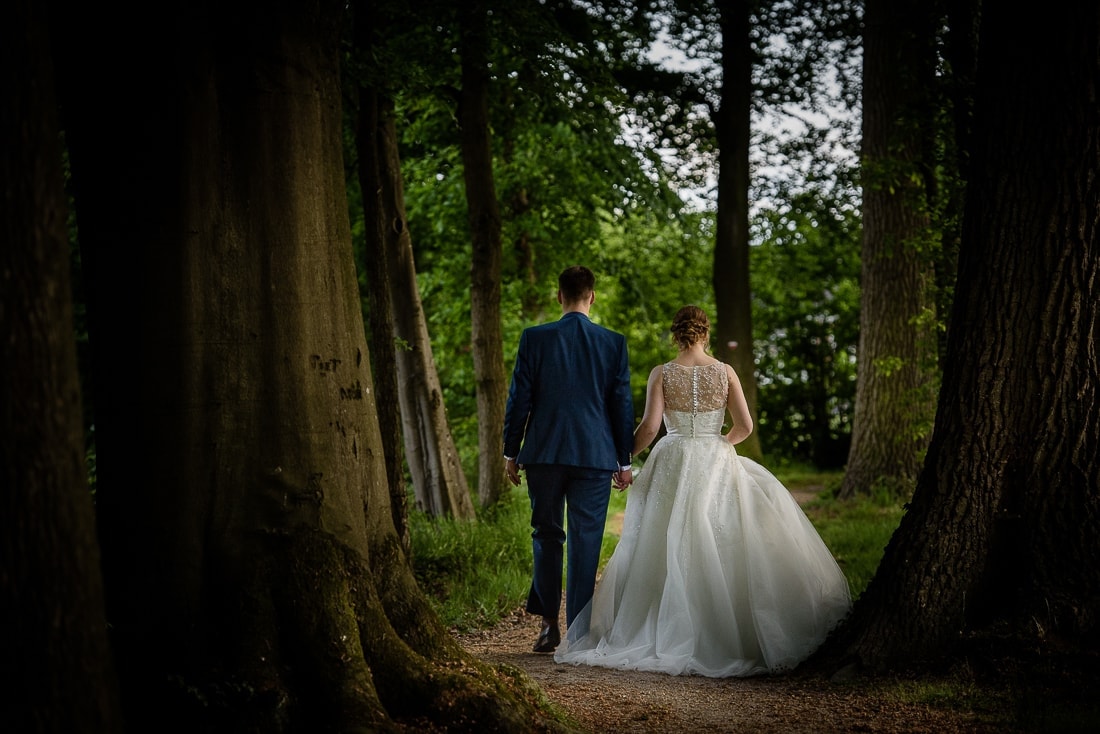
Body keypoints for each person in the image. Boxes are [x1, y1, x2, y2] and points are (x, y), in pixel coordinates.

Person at [554, 305, 851, 676]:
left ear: (675, 334)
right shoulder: (725, 373)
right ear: (706, 333)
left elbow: (648, 429)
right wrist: (719, 443)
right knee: (721, 535)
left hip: (672, 457)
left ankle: (662, 624)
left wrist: (622, 459)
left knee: (663, 541)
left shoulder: (662, 373)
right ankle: (727, 632)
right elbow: (745, 425)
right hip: (714, 456)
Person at [504, 266, 635, 654]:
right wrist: (623, 460)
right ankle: (578, 633)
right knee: (586, 540)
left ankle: (548, 627)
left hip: (543, 454)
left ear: (558, 296)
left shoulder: (534, 338)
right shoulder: (613, 343)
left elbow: (519, 400)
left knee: (546, 535)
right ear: (591, 297)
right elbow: (621, 405)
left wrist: (511, 451)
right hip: (595, 456)